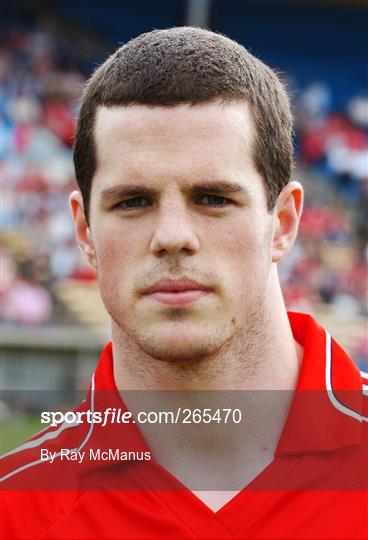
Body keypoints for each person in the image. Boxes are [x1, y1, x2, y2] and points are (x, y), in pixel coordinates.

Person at [1, 27, 367, 539]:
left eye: (213, 198)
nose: (173, 237)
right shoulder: (14, 510)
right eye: (132, 202)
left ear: (283, 223)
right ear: (84, 232)